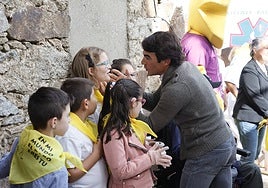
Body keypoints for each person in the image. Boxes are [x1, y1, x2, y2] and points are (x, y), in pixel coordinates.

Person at [137, 31, 236, 188]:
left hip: (206, 151)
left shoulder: (178, 87)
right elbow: (156, 101)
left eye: (148, 57)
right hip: (223, 144)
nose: (143, 62)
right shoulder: (183, 68)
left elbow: (149, 125)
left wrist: (124, 101)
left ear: (165, 61)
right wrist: (131, 90)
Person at [5, 87, 86, 188]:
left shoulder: (22, 140)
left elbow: (5, 166)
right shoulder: (57, 170)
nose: (69, 120)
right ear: (54, 122)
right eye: (68, 115)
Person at [98, 79, 172, 188]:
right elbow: (120, 171)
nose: (141, 105)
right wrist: (150, 158)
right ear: (133, 102)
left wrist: (155, 153)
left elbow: (133, 150)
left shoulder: (127, 124)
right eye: (142, 102)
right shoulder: (114, 133)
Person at [57, 78, 108, 187]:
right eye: (93, 96)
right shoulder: (69, 133)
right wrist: (96, 154)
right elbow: (70, 174)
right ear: (85, 103)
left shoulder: (86, 124)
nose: (96, 99)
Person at [180, 0, 230, 109]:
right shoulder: (196, 43)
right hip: (207, 110)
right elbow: (197, 81)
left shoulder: (199, 39)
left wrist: (222, 96)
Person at [233, 36, 268, 163]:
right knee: (249, 157)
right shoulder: (249, 69)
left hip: (260, 117)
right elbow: (255, 96)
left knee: (254, 154)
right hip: (247, 118)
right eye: (266, 48)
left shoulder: (265, 68)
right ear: (254, 49)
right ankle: (241, 182)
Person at [71, 47, 111, 124]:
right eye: (105, 63)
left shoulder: (101, 92)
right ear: (91, 71)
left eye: (109, 62)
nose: (109, 67)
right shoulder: (89, 99)